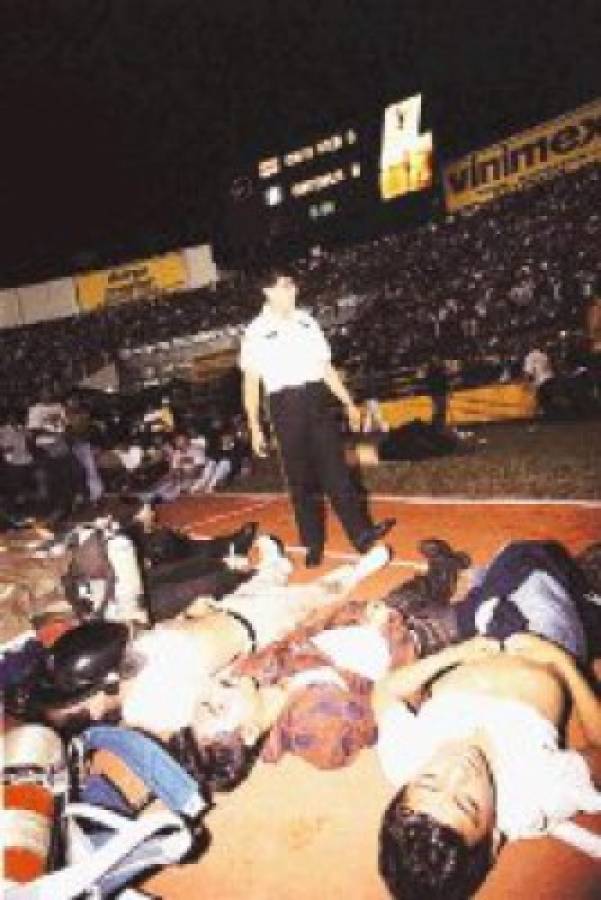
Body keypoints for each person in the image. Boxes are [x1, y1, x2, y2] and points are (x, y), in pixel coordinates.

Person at [373, 630, 601, 900]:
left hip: (471, 637)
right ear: (494, 839)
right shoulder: (541, 789)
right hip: (547, 636)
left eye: (429, 780)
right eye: (468, 802)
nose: (458, 768)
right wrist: (564, 662)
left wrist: (453, 655)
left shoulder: (402, 761)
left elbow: (384, 690)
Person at [240, 268, 395, 567]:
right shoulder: (256, 331)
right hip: (284, 404)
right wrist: (254, 425)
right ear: (268, 292)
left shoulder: (306, 320)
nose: (293, 291)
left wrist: (348, 402)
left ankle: (361, 535)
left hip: (316, 399)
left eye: (292, 285)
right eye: (285, 286)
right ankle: (313, 543)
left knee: (337, 471)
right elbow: (250, 382)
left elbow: (325, 367)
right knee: (301, 480)